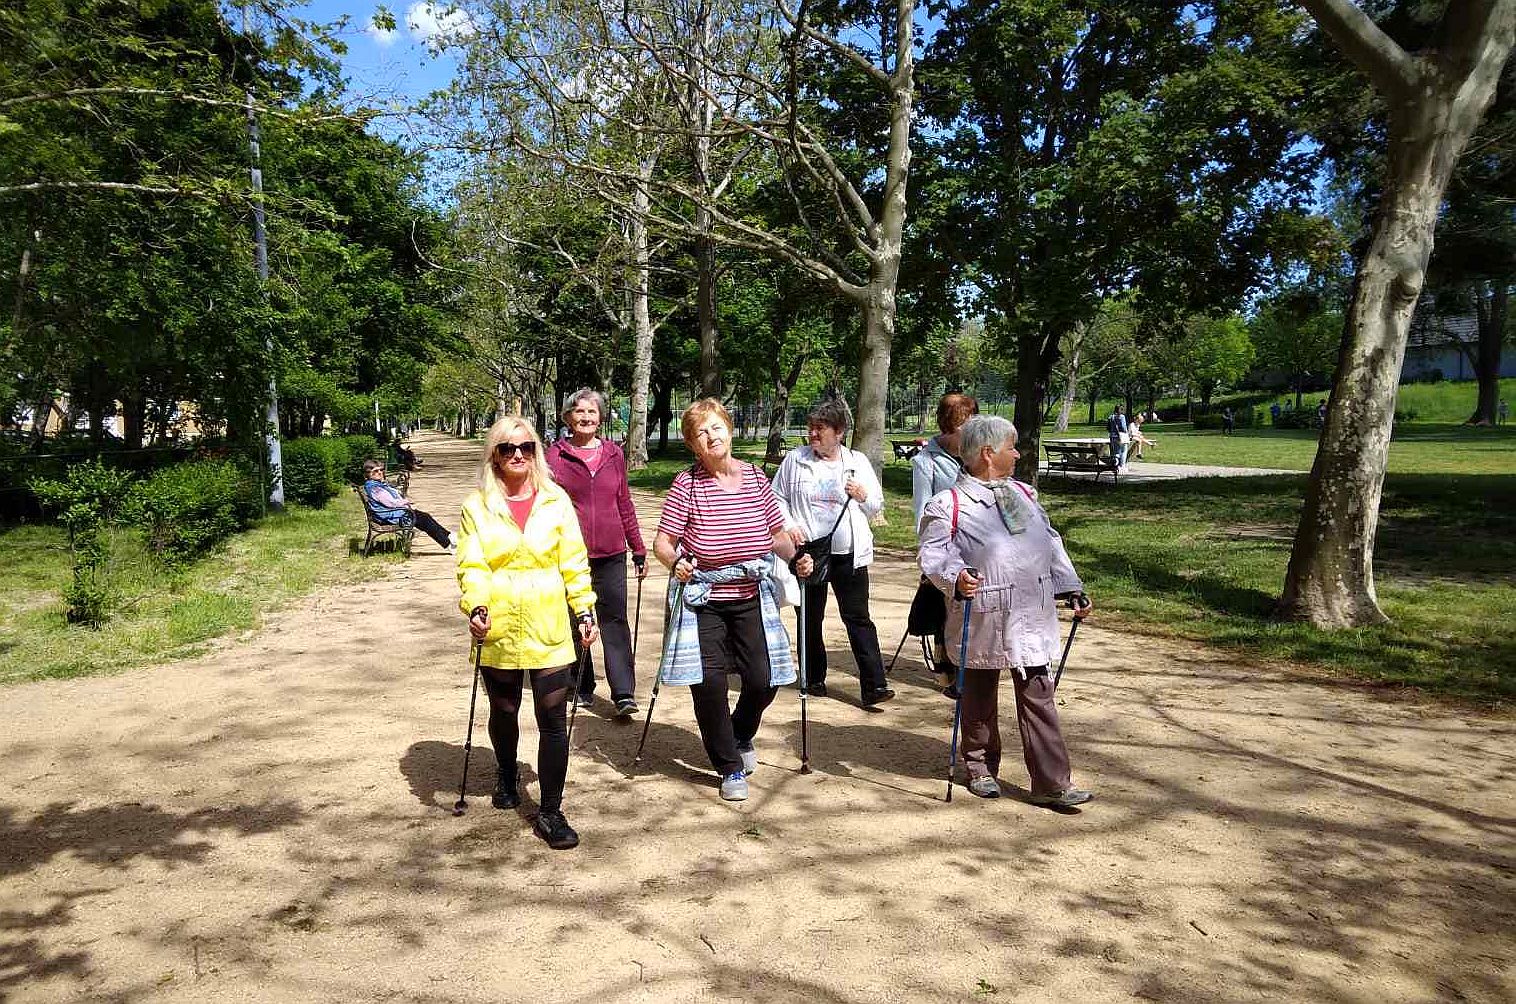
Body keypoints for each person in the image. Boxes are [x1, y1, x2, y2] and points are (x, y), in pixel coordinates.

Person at [918, 414, 1094, 807]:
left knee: (1039, 694)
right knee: (979, 696)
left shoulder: (1025, 496)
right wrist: (956, 576)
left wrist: (1071, 587)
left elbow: (1050, 543)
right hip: (984, 614)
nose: (1017, 453)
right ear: (987, 453)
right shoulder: (949, 504)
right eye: (1011, 447)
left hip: (1030, 613)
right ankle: (980, 768)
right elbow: (933, 555)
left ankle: (1052, 782)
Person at [653, 399, 813, 802]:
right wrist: (676, 564)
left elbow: (776, 534)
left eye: (716, 427)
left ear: (729, 428)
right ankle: (728, 766)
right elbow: (663, 543)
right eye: (700, 433)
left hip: (749, 596)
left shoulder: (757, 478)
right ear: (692, 444)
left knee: (763, 680)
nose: (711, 437)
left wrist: (795, 559)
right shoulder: (686, 485)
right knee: (709, 684)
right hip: (703, 599)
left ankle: (740, 732)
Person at [457, 416, 599, 850]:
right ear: (494, 456)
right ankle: (505, 770)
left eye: (526, 447)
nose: (517, 454)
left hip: (549, 620)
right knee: (504, 709)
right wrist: (476, 605)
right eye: (507, 448)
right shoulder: (477, 506)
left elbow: (574, 561)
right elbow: (473, 565)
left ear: (536, 452)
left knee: (553, 717)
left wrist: (584, 611)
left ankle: (551, 811)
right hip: (498, 620)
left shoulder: (556, 501)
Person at [771, 398, 892, 707]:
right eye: (811, 428)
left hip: (849, 552)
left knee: (858, 617)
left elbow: (876, 504)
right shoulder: (795, 460)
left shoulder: (857, 461)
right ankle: (813, 678)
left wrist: (863, 496)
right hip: (809, 552)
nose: (813, 434)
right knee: (809, 616)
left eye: (820, 429)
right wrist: (789, 524)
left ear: (839, 432)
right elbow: (776, 497)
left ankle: (874, 685)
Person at [546, 388, 648, 718]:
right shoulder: (555, 456)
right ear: (567, 418)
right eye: (579, 412)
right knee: (577, 617)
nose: (586, 417)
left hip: (611, 551)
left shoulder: (614, 454)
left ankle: (623, 692)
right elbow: (545, 506)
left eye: (592, 412)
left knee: (614, 620)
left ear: (600, 418)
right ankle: (581, 684)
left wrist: (638, 548)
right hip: (569, 552)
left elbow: (624, 503)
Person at [911, 393, 979, 695]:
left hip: (977, 544)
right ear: (949, 427)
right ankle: (949, 670)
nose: (969, 433)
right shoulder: (927, 461)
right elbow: (922, 510)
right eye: (963, 426)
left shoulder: (977, 454)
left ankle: (971, 669)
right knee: (948, 611)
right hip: (946, 547)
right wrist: (930, 554)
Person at [361, 459, 455, 552]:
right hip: (388, 516)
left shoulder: (376, 484)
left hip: (393, 513)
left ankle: (448, 537)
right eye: (376, 471)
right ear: (368, 474)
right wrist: (406, 503)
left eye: (381, 470)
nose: (380, 472)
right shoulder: (375, 488)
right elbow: (390, 503)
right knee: (424, 519)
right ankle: (448, 543)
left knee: (424, 517)